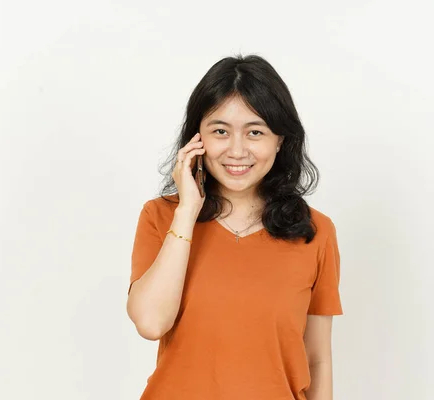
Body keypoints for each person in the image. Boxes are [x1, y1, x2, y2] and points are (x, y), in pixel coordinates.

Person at [126, 54, 343, 400]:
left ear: (280, 140)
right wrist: (186, 211)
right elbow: (151, 323)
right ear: (198, 139)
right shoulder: (162, 216)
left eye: (255, 132)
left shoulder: (315, 231)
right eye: (220, 131)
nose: (237, 150)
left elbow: (317, 360)